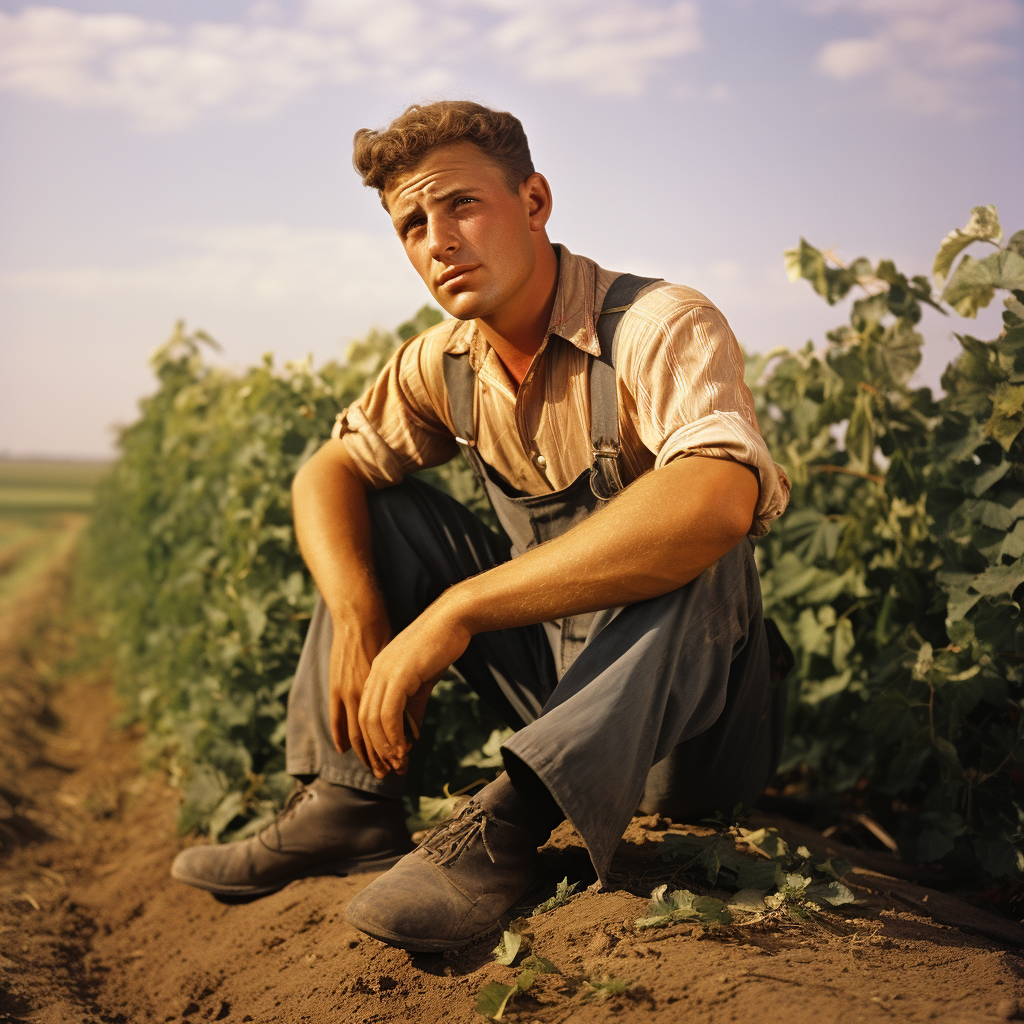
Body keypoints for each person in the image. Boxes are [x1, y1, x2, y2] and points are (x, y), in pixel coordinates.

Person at [171, 100, 791, 952]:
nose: (438, 240)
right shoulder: (444, 363)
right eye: (411, 225)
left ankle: (509, 825)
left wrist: (454, 610)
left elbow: (719, 499)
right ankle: (348, 804)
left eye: (461, 205)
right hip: (558, 681)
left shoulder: (656, 325)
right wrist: (360, 616)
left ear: (534, 201)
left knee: (698, 514)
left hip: (691, 738)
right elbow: (326, 470)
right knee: (378, 507)